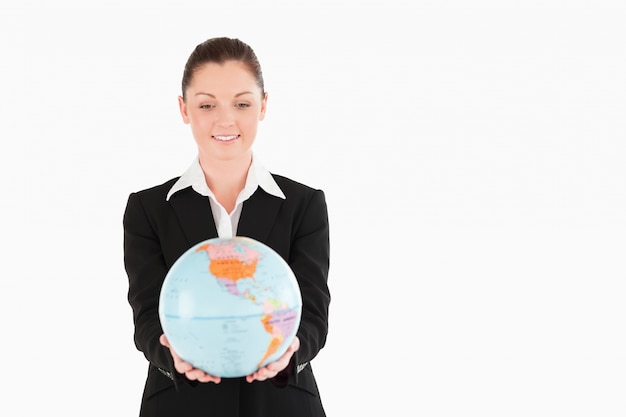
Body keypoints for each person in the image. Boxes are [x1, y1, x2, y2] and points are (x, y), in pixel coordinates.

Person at [122, 37, 331, 416]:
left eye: (242, 103)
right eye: (206, 104)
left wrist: (293, 348)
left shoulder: (304, 204)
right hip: (180, 405)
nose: (225, 120)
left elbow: (314, 312)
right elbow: (147, 317)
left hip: (281, 405)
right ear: (184, 109)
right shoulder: (148, 209)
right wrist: (171, 355)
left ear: (263, 106)